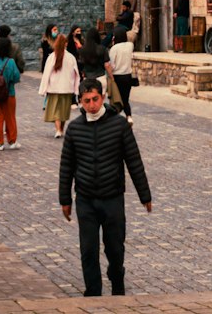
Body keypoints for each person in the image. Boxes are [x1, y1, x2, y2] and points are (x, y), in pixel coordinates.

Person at [59, 79, 152, 299]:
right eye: (86, 101)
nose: (91, 105)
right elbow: (66, 167)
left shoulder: (119, 125)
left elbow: (134, 161)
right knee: (88, 250)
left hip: (112, 198)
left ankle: (117, 281)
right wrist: (65, 199)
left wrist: (144, 195)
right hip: (85, 199)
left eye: (95, 99)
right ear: (80, 102)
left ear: (103, 98)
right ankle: (93, 293)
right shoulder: (74, 129)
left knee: (115, 249)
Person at [40, 32, 81, 138]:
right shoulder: (71, 57)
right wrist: (76, 89)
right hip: (67, 88)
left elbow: (46, 73)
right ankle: (60, 129)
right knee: (64, 111)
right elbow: (76, 73)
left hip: (54, 88)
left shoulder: (52, 57)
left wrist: (43, 88)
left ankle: (58, 130)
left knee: (56, 110)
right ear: (66, 44)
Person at [104, 25, 135, 124]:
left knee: (116, 98)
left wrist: (109, 75)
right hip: (128, 75)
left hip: (117, 76)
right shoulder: (130, 45)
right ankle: (129, 116)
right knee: (125, 98)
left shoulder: (114, 48)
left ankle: (115, 118)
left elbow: (112, 65)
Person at [81, 27, 108, 91]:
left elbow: (81, 64)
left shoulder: (83, 50)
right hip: (101, 77)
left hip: (87, 78)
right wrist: (111, 77)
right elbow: (107, 64)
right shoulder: (102, 49)